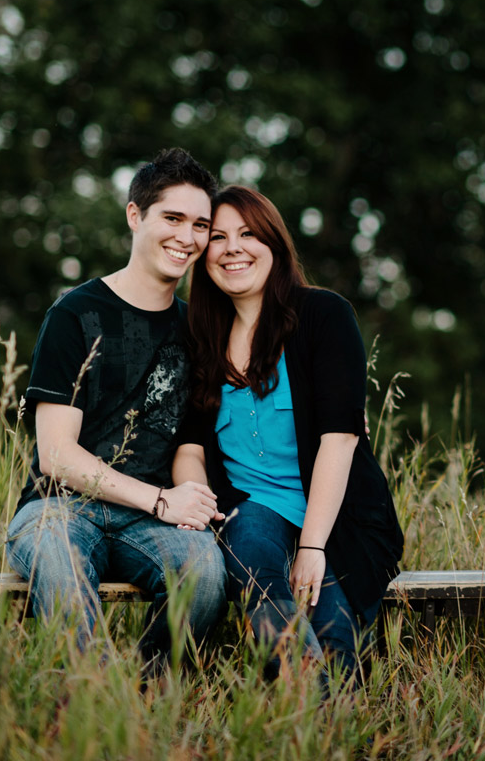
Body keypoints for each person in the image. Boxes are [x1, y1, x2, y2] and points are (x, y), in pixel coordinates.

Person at [5, 148, 227, 670]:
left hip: (149, 521)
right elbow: (57, 456)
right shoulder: (75, 313)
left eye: (200, 224)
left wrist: (190, 502)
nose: (187, 237)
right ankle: (92, 696)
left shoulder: (198, 329)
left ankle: (144, 690)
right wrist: (159, 501)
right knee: (57, 560)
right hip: (57, 508)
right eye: (172, 218)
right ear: (135, 215)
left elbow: (188, 443)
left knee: (206, 573)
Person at [175, 185, 403, 688]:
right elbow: (190, 444)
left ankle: (324, 718)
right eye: (218, 237)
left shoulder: (324, 314)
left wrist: (313, 548)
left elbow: (340, 438)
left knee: (336, 641)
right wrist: (200, 502)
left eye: (248, 234)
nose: (233, 247)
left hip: (337, 520)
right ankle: (305, 695)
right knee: (251, 542)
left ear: (274, 244)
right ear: (203, 253)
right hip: (254, 509)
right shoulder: (201, 336)